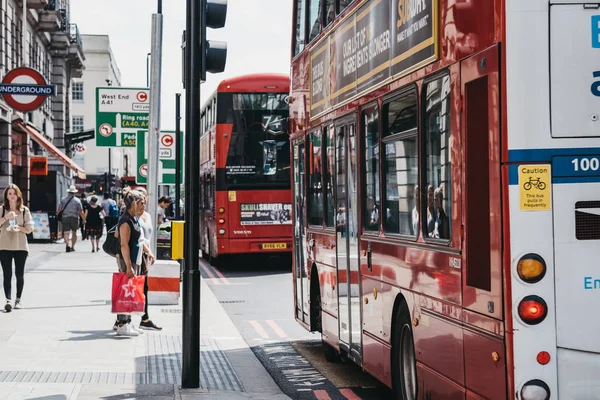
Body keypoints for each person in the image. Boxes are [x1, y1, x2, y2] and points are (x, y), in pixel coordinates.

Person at [114, 190, 155, 337]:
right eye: (141, 203)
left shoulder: (133, 218)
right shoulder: (125, 221)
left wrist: (148, 251)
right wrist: (129, 266)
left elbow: (139, 240)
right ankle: (122, 324)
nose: (143, 206)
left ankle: (128, 322)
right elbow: (124, 245)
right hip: (128, 260)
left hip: (135, 259)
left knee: (130, 291)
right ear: (134, 203)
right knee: (125, 291)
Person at [0, 184, 34, 312]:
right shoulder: (2, 209)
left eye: (14, 193)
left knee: (19, 274)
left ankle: (18, 299)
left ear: (18, 195)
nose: (12, 196)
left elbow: (29, 229)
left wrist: (19, 228)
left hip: (20, 246)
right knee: (7, 274)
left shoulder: (24, 210)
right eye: (10, 193)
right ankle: (8, 300)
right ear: (7, 196)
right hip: (4, 245)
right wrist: (5, 218)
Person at [135, 188, 161, 330]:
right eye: (140, 196)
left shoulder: (148, 215)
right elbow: (138, 238)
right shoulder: (132, 216)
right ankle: (121, 320)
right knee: (129, 286)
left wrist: (149, 252)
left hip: (144, 255)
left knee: (144, 287)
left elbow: (148, 236)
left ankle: (144, 318)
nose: (144, 199)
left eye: (145, 196)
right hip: (135, 255)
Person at [57, 185, 86, 252]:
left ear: (68, 192)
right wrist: (84, 219)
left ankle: (67, 245)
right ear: (74, 192)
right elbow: (80, 211)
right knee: (74, 232)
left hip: (65, 217)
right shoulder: (77, 201)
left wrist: (57, 214)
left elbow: (59, 208)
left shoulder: (63, 199)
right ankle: (72, 246)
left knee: (66, 232)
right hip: (74, 217)